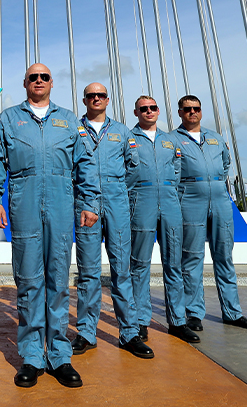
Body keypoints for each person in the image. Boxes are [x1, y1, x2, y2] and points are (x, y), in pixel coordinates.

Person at [0, 64, 100, 389]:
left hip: (62, 203)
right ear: (24, 83)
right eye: (33, 77)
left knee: (58, 280)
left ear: (51, 83)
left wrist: (90, 201)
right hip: (24, 202)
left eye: (44, 77)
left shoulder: (67, 120)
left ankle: (60, 356)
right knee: (30, 280)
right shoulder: (8, 119)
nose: (38, 81)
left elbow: (85, 162)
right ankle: (33, 357)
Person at [71, 84, 153, 359]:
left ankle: (129, 333)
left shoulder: (121, 132)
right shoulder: (74, 129)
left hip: (117, 202)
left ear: (108, 99)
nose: (96, 99)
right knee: (89, 271)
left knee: (122, 269)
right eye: (91, 96)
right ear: (84, 100)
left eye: (101, 95)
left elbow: (134, 166)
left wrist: (115, 187)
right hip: (85, 204)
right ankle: (86, 332)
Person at [172, 95, 247, 333]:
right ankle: (193, 314)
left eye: (197, 109)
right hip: (190, 199)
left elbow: (225, 164)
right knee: (192, 259)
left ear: (201, 112)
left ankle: (233, 313)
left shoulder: (215, 138)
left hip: (220, 200)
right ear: (180, 113)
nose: (193, 113)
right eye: (187, 109)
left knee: (224, 257)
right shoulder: (171, 139)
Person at [129, 96, 199, 344]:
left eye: (153, 108)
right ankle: (139, 321)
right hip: (141, 202)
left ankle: (178, 321)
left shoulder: (170, 141)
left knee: (174, 264)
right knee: (139, 264)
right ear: (136, 112)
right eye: (143, 109)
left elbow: (177, 170)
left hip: (169, 201)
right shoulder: (129, 139)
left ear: (158, 111)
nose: (149, 111)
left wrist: (168, 191)